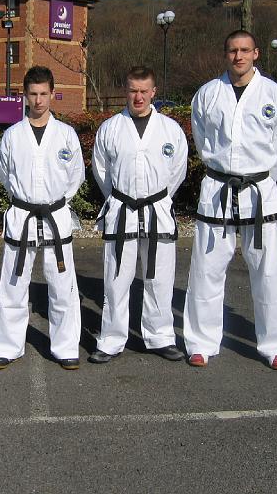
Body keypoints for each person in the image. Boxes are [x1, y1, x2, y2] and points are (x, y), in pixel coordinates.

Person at [183, 30, 277, 370]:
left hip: (259, 190)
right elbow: (202, 139)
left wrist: (262, 178)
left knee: (268, 272)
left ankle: (276, 346)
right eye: (233, 50)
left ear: (256, 53)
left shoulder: (274, 94)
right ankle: (201, 342)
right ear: (226, 54)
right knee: (206, 270)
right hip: (218, 188)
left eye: (245, 50)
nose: (239, 56)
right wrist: (222, 169)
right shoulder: (207, 94)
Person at [90, 66, 188, 363]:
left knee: (159, 277)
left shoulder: (170, 130)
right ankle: (111, 339)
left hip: (158, 208)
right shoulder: (110, 128)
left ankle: (160, 336)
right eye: (133, 90)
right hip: (122, 209)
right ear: (126, 91)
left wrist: (158, 199)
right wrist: (120, 198)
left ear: (154, 92)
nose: (138, 97)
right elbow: (102, 172)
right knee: (116, 279)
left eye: (144, 91)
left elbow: (177, 172)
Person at [0, 66, 85, 370]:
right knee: (13, 284)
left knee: (62, 286)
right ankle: (7, 347)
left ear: (52, 93)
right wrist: (26, 200)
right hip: (22, 214)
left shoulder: (66, 135)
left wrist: (56, 202)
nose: (39, 100)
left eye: (44, 93)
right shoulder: (12, 136)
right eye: (33, 94)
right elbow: (6, 176)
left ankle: (65, 347)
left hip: (55, 214)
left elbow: (76, 176)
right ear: (25, 95)